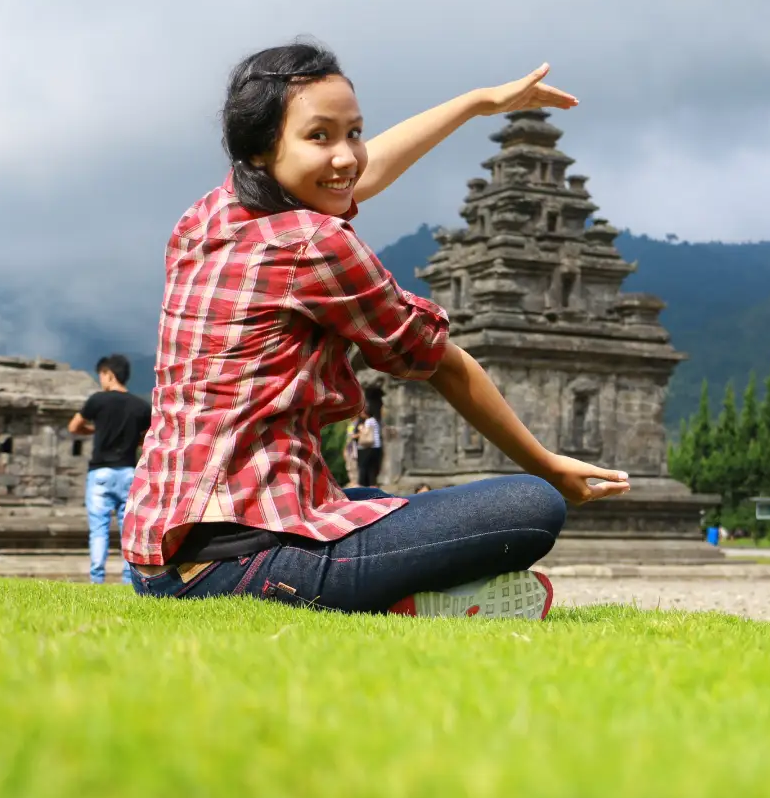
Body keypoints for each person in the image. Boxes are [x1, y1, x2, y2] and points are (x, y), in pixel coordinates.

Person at [121, 41, 628, 620]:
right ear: (261, 149)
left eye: (354, 132)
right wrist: (548, 465)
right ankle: (394, 599)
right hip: (238, 561)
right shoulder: (314, 243)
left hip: (158, 555)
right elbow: (440, 362)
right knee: (529, 506)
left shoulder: (209, 215)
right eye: (320, 136)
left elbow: (361, 172)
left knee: (369, 502)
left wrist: (478, 103)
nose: (346, 156)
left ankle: (403, 592)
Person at [68, 354, 152, 584]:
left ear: (109, 374)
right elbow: (147, 439)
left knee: (99, 529)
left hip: (100, 473)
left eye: (101, 375)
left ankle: (97, 577)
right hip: (127, 472)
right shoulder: (141, 407)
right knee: (129, 530)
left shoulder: (97, 401)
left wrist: (94, 431)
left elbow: (74, 426)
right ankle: (128, 578)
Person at [356, 387, 384, 488]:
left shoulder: (369, 421)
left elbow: (365, 433)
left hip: (370, 446)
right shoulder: (375, 421)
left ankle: (361, 484)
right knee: (372, 468)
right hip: (377, 446)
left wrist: (360, 429)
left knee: (364, 466)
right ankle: (372, 484)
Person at [342, 411, 365, 487]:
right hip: (349, 446)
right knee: (349, 465)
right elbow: (347, 437)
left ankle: (356, 481)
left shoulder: (360, 422)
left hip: (355, 446)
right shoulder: (350, 424)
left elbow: (362, 433)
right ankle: (352, 481)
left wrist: (355, 436)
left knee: (355, 464)